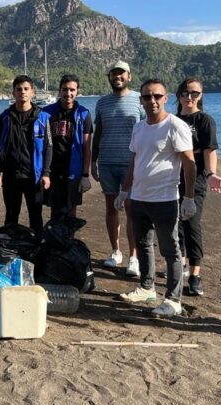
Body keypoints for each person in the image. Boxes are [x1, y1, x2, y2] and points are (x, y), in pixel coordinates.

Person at [117, 79, 196, 317]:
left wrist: (189, 197)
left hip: (165, 199)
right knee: (142, 245)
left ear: (166, 97)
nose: (152, 101)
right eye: (147, 97)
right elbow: (134, 161)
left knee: (170, 250)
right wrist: (124, 190)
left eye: (157, 96)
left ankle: (173, 300)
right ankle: (146, 287)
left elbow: (189, 164)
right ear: (141, 100)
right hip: (139, 198)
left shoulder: (175, 126)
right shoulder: (139, 127)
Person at [92, 61, 147, 276]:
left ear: (129, 76)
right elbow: (98, 133)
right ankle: (116, 251)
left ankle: (134, 257)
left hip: (131, 164)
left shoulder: (139, 100)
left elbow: (147, 131)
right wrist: (93, 162)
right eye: (114, 73)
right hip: (106, 163)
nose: (118, 77)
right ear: (109, 77)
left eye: (121, 73)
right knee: (111, 208)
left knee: (132, 209)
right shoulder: (103, 103)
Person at [174, 77, 221, 296]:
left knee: (191, 224)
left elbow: (209, 151)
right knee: (174, 224)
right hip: (172, 178)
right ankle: (181, 264)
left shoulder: (205, 121)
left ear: (201, 95)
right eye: (185, 93)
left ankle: (195, 275)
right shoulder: (173, 120)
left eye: (194, 93)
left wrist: (211, 174)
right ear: (178, 95)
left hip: (195, 178)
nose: (189, 97)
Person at [0, 75, 52, 234]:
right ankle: (10, 249)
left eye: (26, 89)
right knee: (11, 216)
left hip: (34, 175)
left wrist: (46, 173)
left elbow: (48, 147)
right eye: (19, 89)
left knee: (35, 216)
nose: (22, 92)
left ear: (32, 92)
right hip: (11, 175)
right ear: (13, 93)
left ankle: (36, 253)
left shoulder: (42, 117)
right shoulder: (5, 117)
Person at [42, 74, 93, 219]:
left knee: (71, 211)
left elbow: (86, 148)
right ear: (59, 91)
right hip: (52, 170)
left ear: (77, 91)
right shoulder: (47, 113)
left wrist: (85, 175)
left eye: (72, 90)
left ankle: (68, 240)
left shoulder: (84, 114)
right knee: (55, 211)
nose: (68, 93)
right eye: (65, 89)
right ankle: (54, 240)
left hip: (73, 171)